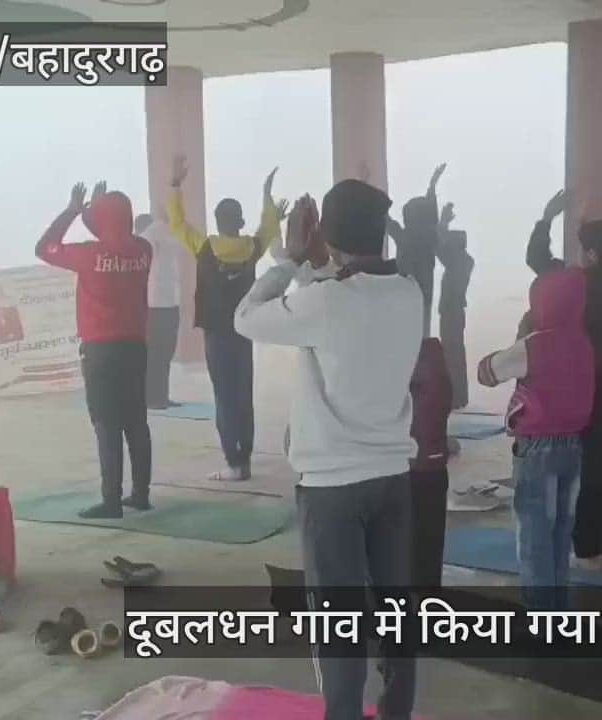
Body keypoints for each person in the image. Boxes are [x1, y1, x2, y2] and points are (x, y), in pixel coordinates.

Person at [234, 179, 422, 720]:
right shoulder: (409, 292)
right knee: (395, 612)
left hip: (332, 487)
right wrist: (321, 261)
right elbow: (343, 294)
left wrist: (292, 259)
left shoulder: (325, 301)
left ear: (330, 236)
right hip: (392, 478)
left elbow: (245, 317)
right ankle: (396, 712)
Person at [527, 189, 602, 570]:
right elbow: (591, 258)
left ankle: (587, 549)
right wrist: (583, 226)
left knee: (582, 463)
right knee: (600, 457)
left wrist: (546, 218)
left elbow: (538, 260)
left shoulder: (580, 283)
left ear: (590, 253)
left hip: (578, 380)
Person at [477, 268, 595, 610]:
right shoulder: (583, 342)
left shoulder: (535, 344)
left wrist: (522, 336)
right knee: (560, 533)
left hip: (537, 448)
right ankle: (558, 610)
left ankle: (540, 617)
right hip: (573, 446)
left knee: (534, 536)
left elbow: (487, 373)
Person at [166, 155, 286, 482]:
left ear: (218, 223)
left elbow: (177, 223)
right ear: (240, 221)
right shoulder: (251, 247)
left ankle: (233, 463)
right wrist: (267, 196)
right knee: (243, 393)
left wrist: (175, 185)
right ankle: (244, 457)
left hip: (216, 333)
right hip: (244, 331)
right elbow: (269, 228)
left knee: (224, 395)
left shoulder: (204, 246)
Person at [36, 182, 152, 519]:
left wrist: (74, 210)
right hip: (135, 348)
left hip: (101, 352)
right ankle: (140, 494)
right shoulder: (143, 250)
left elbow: (44, 248)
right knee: (136, 422)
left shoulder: (88, 255)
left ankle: (111, 500)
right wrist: (98, 208)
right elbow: (112, 230)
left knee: (106, 424)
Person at [410, 337, 453, 588]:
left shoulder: (396, 356)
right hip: (433, 465)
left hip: (403, 468)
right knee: (428, 552)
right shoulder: (433, 353)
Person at [389, 163, 446, 336]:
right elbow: (431, 217)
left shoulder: (406, 237)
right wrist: (432, 185)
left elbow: (386, 220)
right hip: (422, 300)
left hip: (404, 300)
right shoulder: (429, 239)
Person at [135, 211, 181, 410]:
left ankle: (160, 396)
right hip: (159, 305)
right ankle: (154, 397)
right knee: (158, 355)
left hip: (162, 305)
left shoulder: (154, 240)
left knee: (161, 354)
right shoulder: (154, 239)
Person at [436, 201, 474, 413]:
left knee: (452, 352)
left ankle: (456, 396)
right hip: (455, 311)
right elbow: (442, 247)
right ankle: (459, 395)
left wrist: (443, 221)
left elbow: (439, 247)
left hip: (452, 311)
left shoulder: (458, 261)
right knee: (455, 352)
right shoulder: (464, 260)